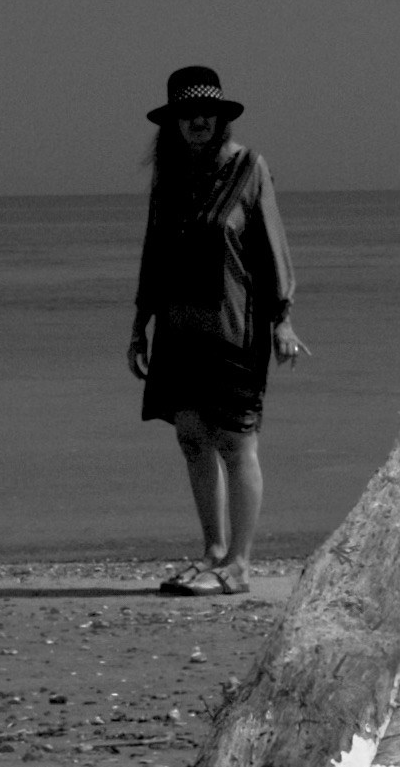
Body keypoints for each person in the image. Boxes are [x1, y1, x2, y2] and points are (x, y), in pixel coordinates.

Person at [127, 65, 303, 594]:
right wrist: (139, 326)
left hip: (234, 328)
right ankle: (213, 553)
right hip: (178, 332)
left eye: (206, 112)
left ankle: (241, 565)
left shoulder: (249, 167)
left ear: (220, 118)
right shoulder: (169, 177)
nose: (197, 121)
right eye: (187, 114)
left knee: (235, 442)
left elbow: (273, 248)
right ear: (174, 123)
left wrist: (283, 318)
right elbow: (153, 255)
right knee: (191, 440)